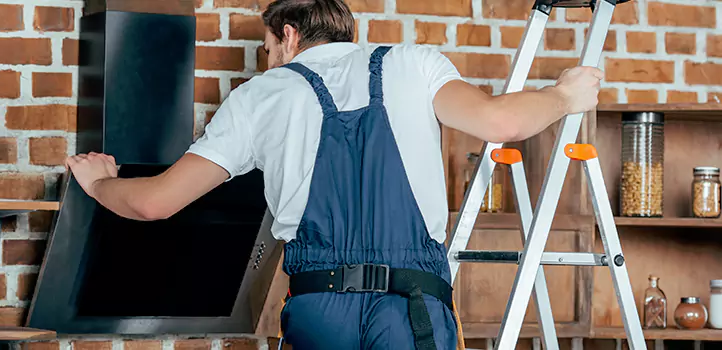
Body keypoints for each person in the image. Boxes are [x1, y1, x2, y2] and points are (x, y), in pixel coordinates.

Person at [65, 0, 603, 348]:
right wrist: (563, 94)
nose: (269, 60)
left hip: (320, 309)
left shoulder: (260, 96)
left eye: (268, 47)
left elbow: (155, 203)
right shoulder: (415, 64)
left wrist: (98, 182)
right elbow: (500, 122)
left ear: (290, 34)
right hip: (412, 307)